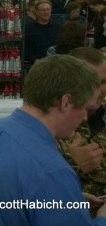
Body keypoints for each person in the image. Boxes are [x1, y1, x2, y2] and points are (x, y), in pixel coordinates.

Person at [0, 54, 106, 225]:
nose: (85, 118)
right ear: (66, 102)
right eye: (86, 108)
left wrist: (66, 199)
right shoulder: (52, 171)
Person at [57, 47, 106, 198]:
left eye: (104, 82)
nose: (99, 91)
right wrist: (73, 164)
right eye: (92, 83)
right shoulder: (53, 125)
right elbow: (30, 188)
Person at [25, 0, 61, 64]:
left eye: (48, 9)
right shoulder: (28, 28)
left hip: (54, 64)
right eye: (43, 10)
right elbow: (24, 48)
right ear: (37, 12)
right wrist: (34, 60)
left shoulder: (58, 27)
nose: (46, 12)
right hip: (34, 64)